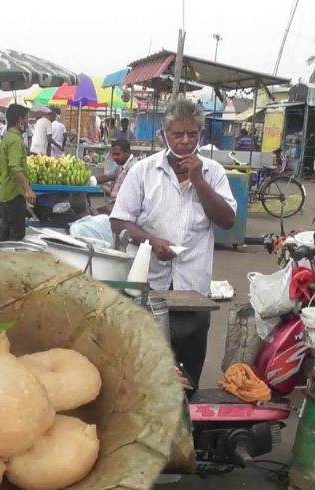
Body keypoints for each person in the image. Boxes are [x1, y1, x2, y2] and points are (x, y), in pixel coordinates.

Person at [110, 97, 236, 391]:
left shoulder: (213, 173)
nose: (184, 141)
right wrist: (151, 241)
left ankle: (184, 426)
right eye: (177, 134)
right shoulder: (143, 171)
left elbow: (227, 220)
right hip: (148, 287)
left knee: (188, 371)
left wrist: (199, 180)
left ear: (200, 135)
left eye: (192, 134)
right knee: (143, 368)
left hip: (192, 291)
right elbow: (119, 221)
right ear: (165, 135)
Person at [0, 104, 35, 242]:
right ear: (20, 120)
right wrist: (28, 190)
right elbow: (15, 168)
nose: (27, 123)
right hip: (14, 195)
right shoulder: (15, 141)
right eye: (26, 119)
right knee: (15, 236)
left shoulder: (7, 138)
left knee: (5, 233)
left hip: (5, 193)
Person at [92, 139, 136, 215]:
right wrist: (89, 181)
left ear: (127, 152)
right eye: (113, 154)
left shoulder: (134, 168)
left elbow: (130, 198)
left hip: (123, 209)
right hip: (114, 205)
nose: (114, 157)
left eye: (117, 154)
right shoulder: (121, 167)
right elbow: (107, 177)